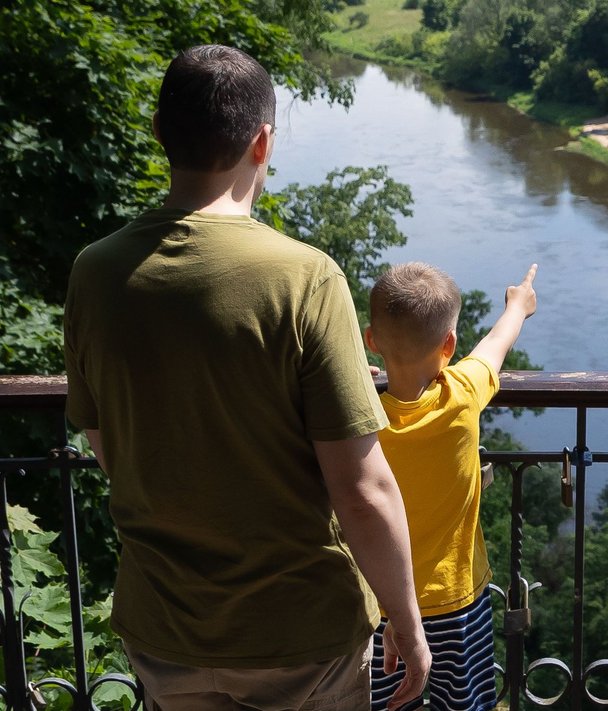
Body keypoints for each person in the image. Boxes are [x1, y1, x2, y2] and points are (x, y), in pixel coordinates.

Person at [63, 45, 430, 711]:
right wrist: (406, 616)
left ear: (159, 132)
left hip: (167, 629)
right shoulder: (304, 277)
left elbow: (106, 442)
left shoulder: (95, 271)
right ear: (262, 142)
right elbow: (361, 488)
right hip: (302, 634)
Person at [364, 261, 538, 711]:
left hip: (380, 608)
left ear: (371, 340)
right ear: (449, 345)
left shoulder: (358, 417)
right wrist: (519, 304)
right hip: (456, 601)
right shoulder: (462, 393)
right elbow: (497, 343)